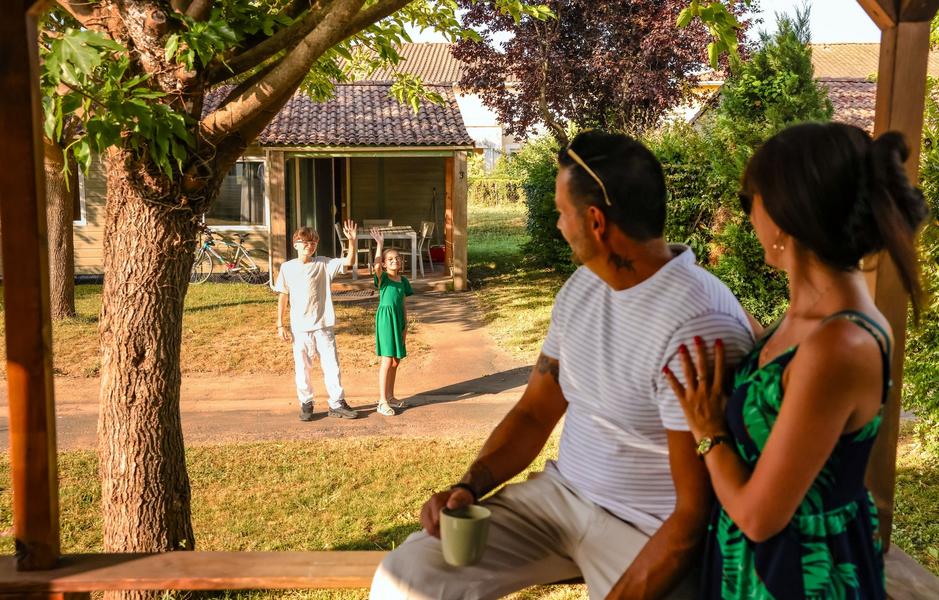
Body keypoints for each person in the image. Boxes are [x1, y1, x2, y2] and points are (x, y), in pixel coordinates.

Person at [370, 130, 755, 599]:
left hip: (646, 529)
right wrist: (467, 487)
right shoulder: (583, 290)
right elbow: (535, 411)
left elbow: (691, 518)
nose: (557, 225)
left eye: (560, 212)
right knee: (407, 577)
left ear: (595, 222)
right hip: (560, 500)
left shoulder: (695, 325)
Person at [664, 122, 928, 599]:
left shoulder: (841, 344)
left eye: (752, 201)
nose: (749, 217)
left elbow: (759, 517)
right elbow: (784, 380)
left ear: (786, 213)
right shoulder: (812, 316)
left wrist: (707, 432)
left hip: (797, 575)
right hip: (758, 564)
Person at [274, 222, 360, 421]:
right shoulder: (287, 268)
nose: (309, 246)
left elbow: (348, 261)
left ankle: (337, 403)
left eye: (313, 242)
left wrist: (352, 241)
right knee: (303, 367)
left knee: (331, 366)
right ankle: (306, 403)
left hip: (323, 325)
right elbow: (283, 296)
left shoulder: (323, 263)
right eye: (305, 242)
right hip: (300, 328)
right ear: (295, 244)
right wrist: (280, 324)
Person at [369, 228, 414, 416]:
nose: (395, 260)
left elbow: (403, 304)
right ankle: (381, 401)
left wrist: (405, 326)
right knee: (387, 359)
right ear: (386, 264)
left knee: (396, 361)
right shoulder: (383, 278)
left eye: (397, 258)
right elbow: (377, 266)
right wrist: (380, 245)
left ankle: (390, 396)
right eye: (390, 259)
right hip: (386, 320)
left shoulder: (403, 280)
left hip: (398, 320)